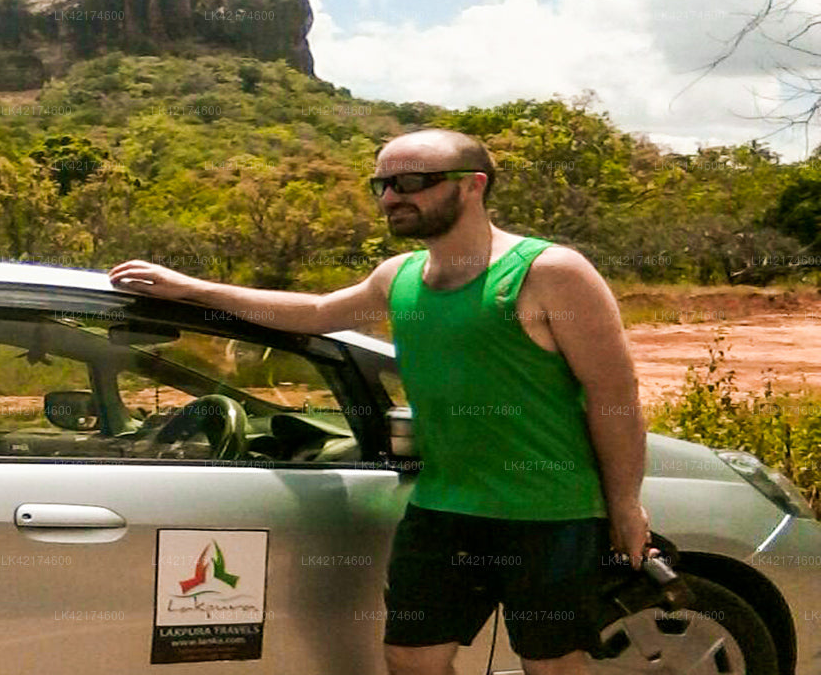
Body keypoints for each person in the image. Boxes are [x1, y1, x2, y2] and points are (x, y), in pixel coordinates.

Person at [109, 129, 651, 675]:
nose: (392, 197)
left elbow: (615, 395)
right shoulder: (399, 277)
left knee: (552, 664)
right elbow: (316, 312)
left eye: (412, 181)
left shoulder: (550, 272)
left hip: (550, 514)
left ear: (473, 186)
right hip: (441, 511)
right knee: (410, 659)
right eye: (383, 184)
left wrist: (625, 503)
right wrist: (194, 289)